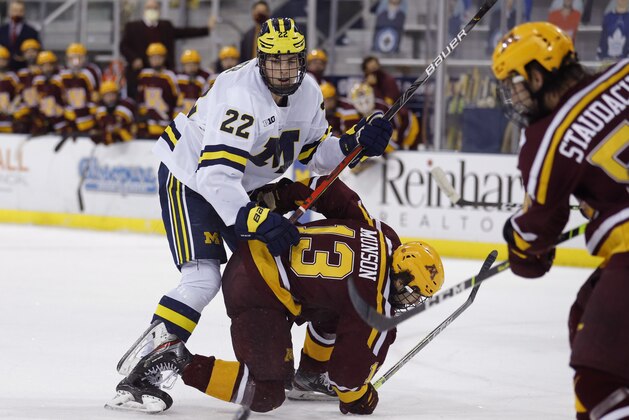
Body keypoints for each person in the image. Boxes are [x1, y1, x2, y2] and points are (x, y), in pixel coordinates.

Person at [106, 17, 392, 413]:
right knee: (202, 278)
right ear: (260, 60)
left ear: (302, 61)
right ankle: (146, 370)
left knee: (289, 266)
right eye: (273, 61)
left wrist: (353, 142)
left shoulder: (308, 93)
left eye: (290, 61)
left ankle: (310, 370)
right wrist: (254, 218)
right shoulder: (238, 95)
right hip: (191, 178)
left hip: (243, 185)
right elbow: (216, 176)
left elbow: (314, 154)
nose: (281, 70)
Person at [112, 176, 445, 415]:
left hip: (264, 253)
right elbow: (348, 377)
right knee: (268, 392)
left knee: (336, 308)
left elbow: (330, 190)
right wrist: (359, 398)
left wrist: (283, 195)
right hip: (256, 291)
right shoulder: (374, 305)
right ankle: (179, 360)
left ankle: (312, 374)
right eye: (411, 291)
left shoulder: (380, 232)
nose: (409, 300)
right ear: (400, 277)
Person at [492, 21, 629, 420]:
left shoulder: (546, 138)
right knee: (585, 312)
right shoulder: (622, 71)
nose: (513, 95)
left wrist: (517, 242)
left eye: (514, 83)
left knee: (598, 381)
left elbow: (533, 241)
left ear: (537, 75)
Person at [120, 0, 215, 98]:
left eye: (155, 8)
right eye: (149, 8)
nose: (152, 11)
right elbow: (123, 46)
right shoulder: (132, 27)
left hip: (162, 74)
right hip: (141, 73)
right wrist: (134, 58)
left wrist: (206, 29)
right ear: (144, 10)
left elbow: (183, 32)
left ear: (159, 10)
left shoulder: (166, 26)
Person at [136, 42, 179, 139]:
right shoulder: (144, 75)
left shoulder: (170, 76)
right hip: (148, 122)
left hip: (165, 122)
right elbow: (140, 97)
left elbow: (176, 99)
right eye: (153, 58)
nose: (155, 61)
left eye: (158, 57)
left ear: (164, 58)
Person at [59, 43, 102, 134]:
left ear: (85, 58)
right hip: (71, 112)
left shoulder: (91, 71)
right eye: (72, 58)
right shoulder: (63, 73)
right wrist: (67, 109)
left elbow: (95, 93)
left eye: (79, 57)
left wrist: (91, 111)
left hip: (88, 112)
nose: (75, 62)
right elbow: (63, 94)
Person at [92, 80, 137, 145]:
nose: (110, 98)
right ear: (102, 97)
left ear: (117, 94)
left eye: (112, 94)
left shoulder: (125, 108)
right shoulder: (100, 111)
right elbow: (96, 131)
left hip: (129, 146)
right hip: (111, 149)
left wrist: (117, 129)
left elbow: (129, 128)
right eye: (107, 95)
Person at [31, 51, 65, 135]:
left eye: (50, 65)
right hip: (43, 118)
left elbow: (66, 99)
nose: (47, 68)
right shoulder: (37, 81)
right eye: (44, 65)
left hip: (60, 118)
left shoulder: (60, 79)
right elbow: (35, 100)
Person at [0, 1, 40, 71]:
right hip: (4, 71)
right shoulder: (2, 30)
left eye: (20, 11)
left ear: (24, 12)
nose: (17, 13)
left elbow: (38, 50)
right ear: (9, 12)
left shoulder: (31, 31)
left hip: (25, 70)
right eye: (14, 10)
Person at [12, 38, 40, 133]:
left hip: (41, 108)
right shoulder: (21, 73)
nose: (31, 54)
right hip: (27, 110)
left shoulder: (43, 71)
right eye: (27, 52)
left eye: (33, 51)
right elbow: (19, 94)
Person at [176, 49, 210, 116]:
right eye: (188, 65)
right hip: (180, 114)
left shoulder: (203, 79)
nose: (191, 68)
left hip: (196, 115)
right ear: (183, 65)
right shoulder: (178, 78)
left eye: (194, 64)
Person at [0, 45, 19, 132]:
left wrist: (13, 106)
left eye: (3, 59)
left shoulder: (13, 77)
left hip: (7, 118)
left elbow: (20, 94)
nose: (1, 62)